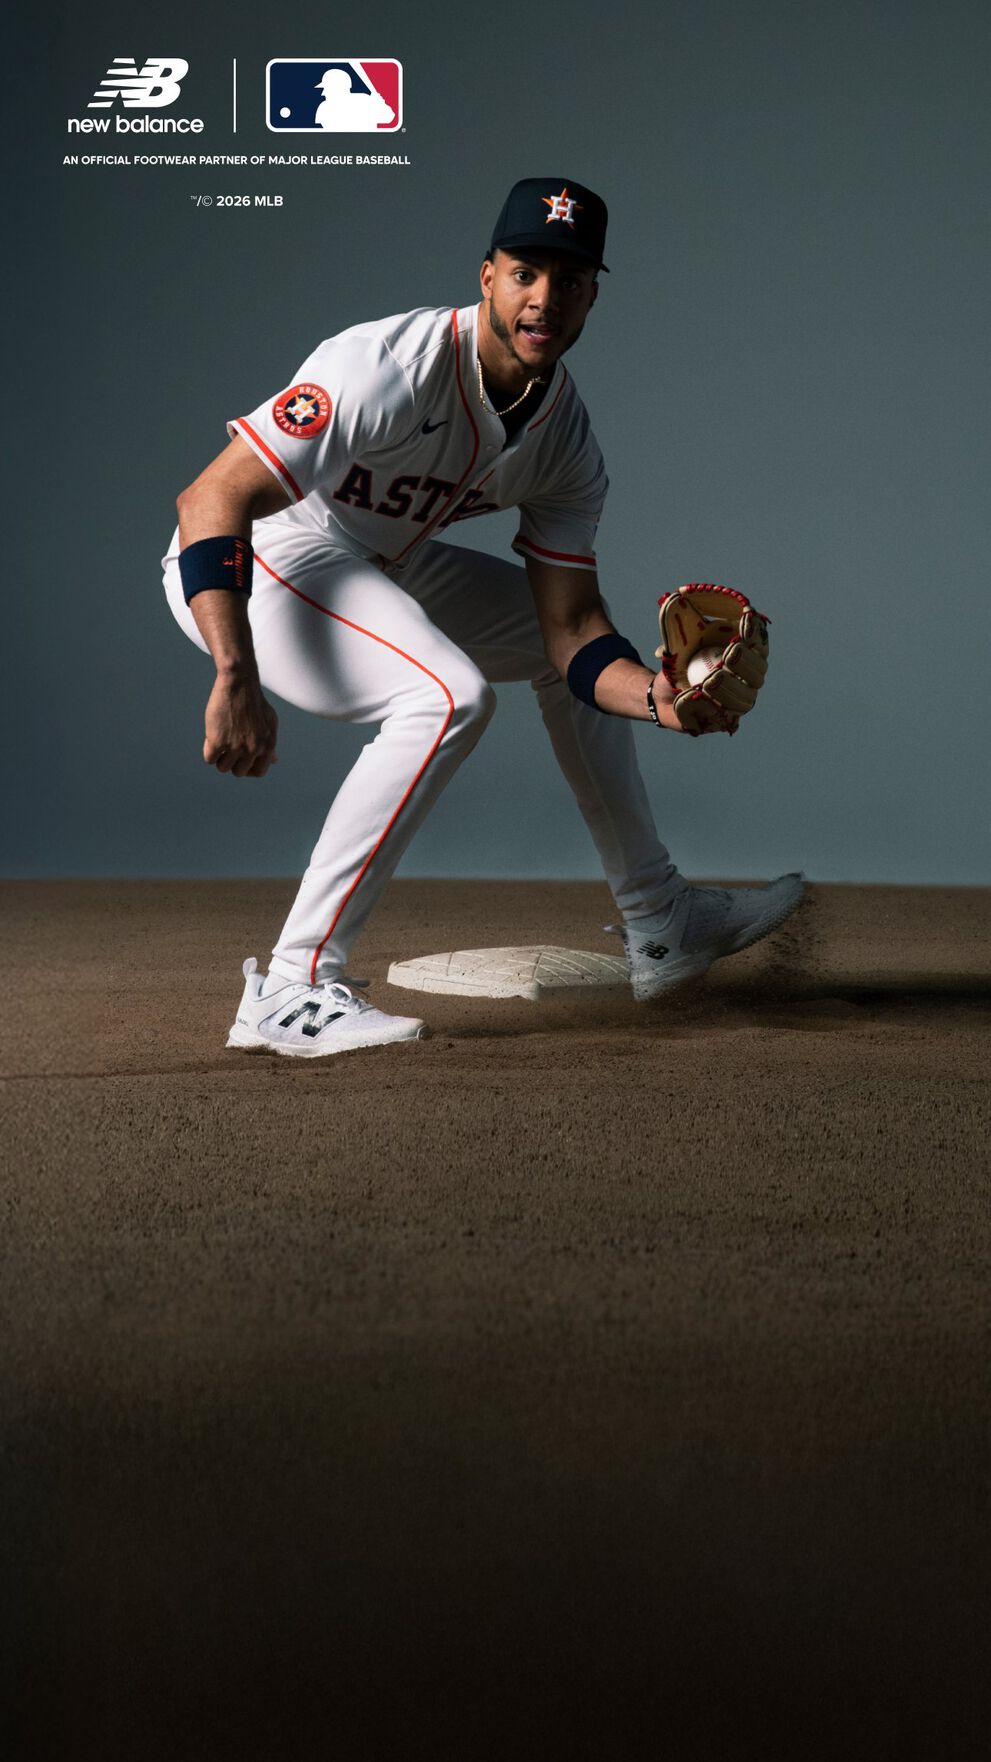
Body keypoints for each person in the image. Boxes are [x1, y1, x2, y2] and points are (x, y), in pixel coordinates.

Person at [163, 177, 802, 1059]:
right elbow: (212, 495)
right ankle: (293, 985)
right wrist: (233, 670)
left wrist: (661, 701)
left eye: (568, 280)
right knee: (445, 696)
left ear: (591, 296)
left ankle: (662, 918)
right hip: (267, 555)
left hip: (381, 563)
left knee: (546, 660)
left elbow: (570, 631)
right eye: (525, 272)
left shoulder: (565, 439)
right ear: (488, 275)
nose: (544, 297)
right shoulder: (383, 366)